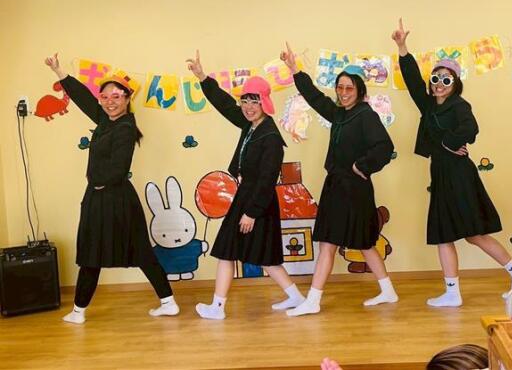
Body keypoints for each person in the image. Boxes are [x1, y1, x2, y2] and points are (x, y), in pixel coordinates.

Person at [392, 19, 512, 307]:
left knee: (474, 234)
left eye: (446, 80)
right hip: (441, 172)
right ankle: (453, 292)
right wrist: (402, 47)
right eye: (436, 79)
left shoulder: (459, 106)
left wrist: (447, 143)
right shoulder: (428, 105)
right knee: (444, 234)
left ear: (455, 84)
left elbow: (471, 129)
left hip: (458, 174)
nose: (439, 84)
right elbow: (412, 79)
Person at [44, 53, 178, 324]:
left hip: (115, 199)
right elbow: (83, 97)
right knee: (95, 252)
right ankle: (82, 310)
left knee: (131, 251)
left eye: (116, 96)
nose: (110, 102)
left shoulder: (126, 127)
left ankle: (166, 302)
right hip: (101, 197)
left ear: (127, 99)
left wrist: (98, 182)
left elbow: (118, 169)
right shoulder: (105, 120)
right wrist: (59, 71)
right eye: (105, 97)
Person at [280, 43, 398, 317]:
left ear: (359, 90)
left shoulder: (366, 115)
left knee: (344, 242)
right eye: (340, 88)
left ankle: (313, 300)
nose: (343, 93)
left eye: (349, 88)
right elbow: (314, 97)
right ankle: (388, 291)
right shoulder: (339, 114)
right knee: (354, 242)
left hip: (354, 188)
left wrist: (362, 166)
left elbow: (384, 146)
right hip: (336, 186)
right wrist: (295, 70)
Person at [186, 50, 304, 319]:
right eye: (245, 101)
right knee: (262, 256)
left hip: (256, 202)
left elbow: (267, 180)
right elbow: (224, 104)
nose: (248, 107)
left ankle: (217, 308)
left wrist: (251, 212)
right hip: (248, 197)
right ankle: (296, 297)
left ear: (265, 103)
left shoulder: (270, 137)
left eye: (255, 101)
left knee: (231, 252)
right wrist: (202, 77)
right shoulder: (251, 126)